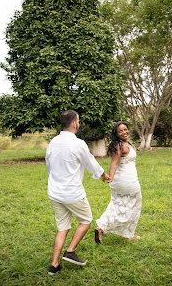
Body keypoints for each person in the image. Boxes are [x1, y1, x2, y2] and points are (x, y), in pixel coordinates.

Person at [46, 110, 110, 276]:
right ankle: (70, 251)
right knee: (86, 220)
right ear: (74, 123)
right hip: (72, 193)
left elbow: (49, 166)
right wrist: (103, 175)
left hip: (55, 192)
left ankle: (54, 265)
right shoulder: (78, 143)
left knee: (62, 227)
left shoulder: (53, 142)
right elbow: (90, 162)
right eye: (78, 121)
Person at [94, 121, 142, 244]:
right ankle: (128, 234)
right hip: (127, 181)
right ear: (116, 133)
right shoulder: (119, 146)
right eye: (120, 131)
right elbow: (114, 163)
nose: (124, 132)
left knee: (116, 205)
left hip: (123, 180)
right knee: (133, 205)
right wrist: (111, 177)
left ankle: (101, 228)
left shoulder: (124, 144)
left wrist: (112, 178)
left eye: (125, 129)